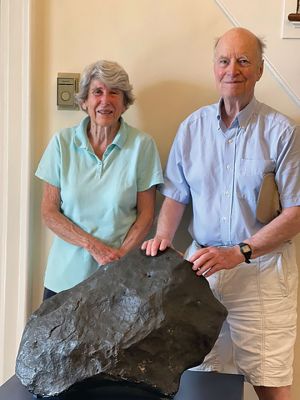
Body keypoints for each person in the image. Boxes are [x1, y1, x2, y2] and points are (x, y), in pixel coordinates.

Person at [142, 28, 300, 400]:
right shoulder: (192, 128)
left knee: (270, 383)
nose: (233, 69)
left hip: (261, 273)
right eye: (225, 60)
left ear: (260, 70)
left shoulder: (282, 132)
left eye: (244, 60)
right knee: (203, 382)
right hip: (203, 272)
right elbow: (176, 196)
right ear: (214, 68)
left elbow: (296, 211)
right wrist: (164, 239)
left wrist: (239, 252)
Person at [36, 60, 163, 301]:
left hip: (117, 279)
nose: (105, 100)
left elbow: (146, 215)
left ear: (125, 103)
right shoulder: (62, 143)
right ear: (84, 101)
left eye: (114, 92)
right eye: (97, 92)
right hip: (63, 280)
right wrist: (94, 246)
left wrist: (117, 259)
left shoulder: (142, 146)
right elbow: (48, 212)